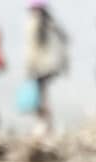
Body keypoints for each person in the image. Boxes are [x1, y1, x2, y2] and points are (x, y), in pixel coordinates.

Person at [25, 0, 69, 131]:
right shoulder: (51, 23)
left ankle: (44, 124)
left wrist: (29, 67)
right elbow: (63, 42)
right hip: (51, 67)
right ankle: (49, 124)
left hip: (39, 67)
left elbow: (31, 49)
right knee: (44, 94)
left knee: (40, 96)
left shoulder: (33, 23)